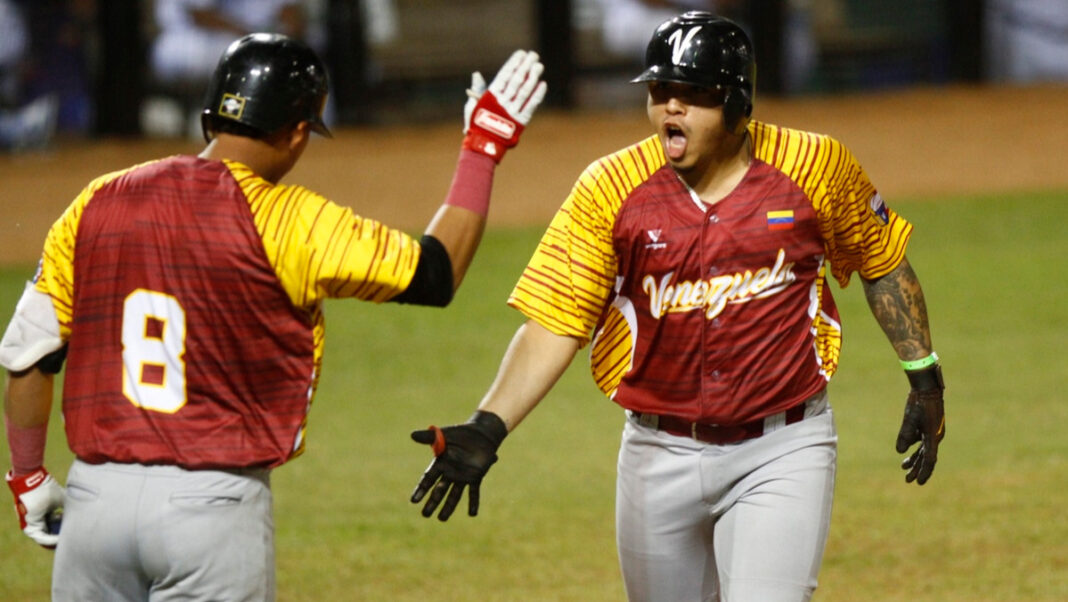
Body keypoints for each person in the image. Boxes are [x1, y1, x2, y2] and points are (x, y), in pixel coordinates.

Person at [409, 12, 945, 602]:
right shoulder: (610, 187)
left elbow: (881, 260)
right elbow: (556, 321)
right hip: (656, 452)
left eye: (693, 94)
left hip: (783, 447)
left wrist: (925, 378)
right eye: (661, 91)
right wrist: (489, 425)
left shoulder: (814, 167)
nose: (671, 108)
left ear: (738, 104)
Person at [2, 33, 546, 600]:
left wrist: (29, 477)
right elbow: (435, 273)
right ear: (297, 132)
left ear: (211, 117)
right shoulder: (292, 220)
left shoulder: (97, 200)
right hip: (211, 512)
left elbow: (28, 355)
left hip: (96, 508)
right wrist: (483, 147)